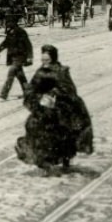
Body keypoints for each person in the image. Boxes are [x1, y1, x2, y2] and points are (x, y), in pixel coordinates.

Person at [16, 44, 93, 175]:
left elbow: (69, 89)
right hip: (43, 108)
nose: (44, 63)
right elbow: (34, 86)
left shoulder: (61, 71)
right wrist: (30, 91)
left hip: (59, 108)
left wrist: (54, 93)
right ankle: (44, 163)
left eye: (47, 60)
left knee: (60, 133)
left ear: (53, 58)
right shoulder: (40, 71)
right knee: (33, 127)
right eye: (42, 60)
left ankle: (64, 159)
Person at [0, 17, 34, 100]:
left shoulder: (21, 32)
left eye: (9, 24)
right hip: (12, 57)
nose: (8, 26)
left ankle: (4, 93)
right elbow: (6, 42)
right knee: (20, 75)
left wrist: (30, 57)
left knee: (11, 74)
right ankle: (28, 92)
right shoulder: (10, 33)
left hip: (20, 57)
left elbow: (28, 45)